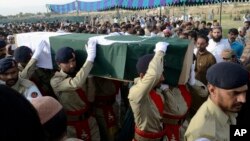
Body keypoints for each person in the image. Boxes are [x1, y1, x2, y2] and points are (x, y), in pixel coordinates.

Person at [50, 38, 100, 141]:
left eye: (73, 60)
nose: (72, 65)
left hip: (90, 120)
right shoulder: (56, 81)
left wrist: (89, 77)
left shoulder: (81, 74)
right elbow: (75, 84)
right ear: (59, 64)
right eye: (67, 63)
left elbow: (90, 98)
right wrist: (90, 59)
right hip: (72, 126)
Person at [185, 62, 249, 141]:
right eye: (235, 93)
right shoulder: (204, 135)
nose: (243, 99)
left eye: (244, 92)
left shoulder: (225, 109)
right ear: (212, 90)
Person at [128, 42, 169, 141]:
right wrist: (159, 53)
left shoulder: (156, 91)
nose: (163, 78)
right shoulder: (135, 92)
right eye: (160, 75)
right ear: (142, 76)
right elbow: (154, 75)